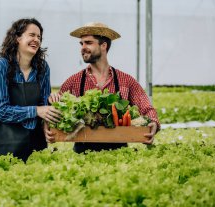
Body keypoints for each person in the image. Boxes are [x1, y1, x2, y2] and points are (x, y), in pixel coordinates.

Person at [45, 22, 160, 153]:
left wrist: (154, 122)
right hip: (82, 155)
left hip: (119, 154)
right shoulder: (74, 81)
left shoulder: (126, 81)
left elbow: (147, 107)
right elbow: (56, 108)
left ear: (103, 45)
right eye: (81, 44)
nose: (83, 47)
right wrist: (51, 110)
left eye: (88, 43)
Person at [0, 18, 61, 162]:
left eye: (39, 37)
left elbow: (45, 105)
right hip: (5, 144)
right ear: (17, 38)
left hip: (36, 143)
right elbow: (0, 110)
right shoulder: (1, 66)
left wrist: (47, 124)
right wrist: (36, 111)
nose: (36, 40)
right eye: (32, 35)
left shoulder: (42, 68)